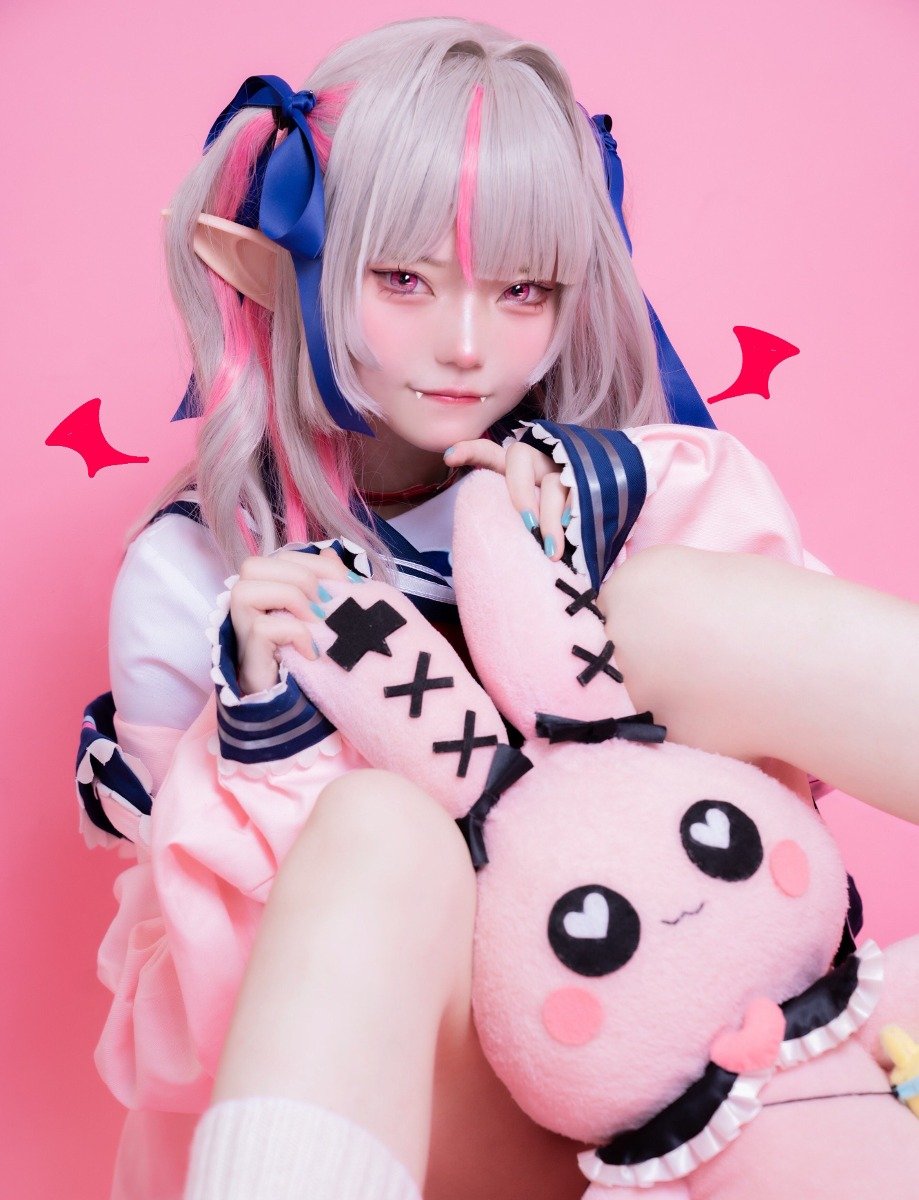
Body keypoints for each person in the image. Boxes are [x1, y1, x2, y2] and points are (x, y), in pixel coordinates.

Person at [74, 16, 916, 1200]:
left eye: (522, 289)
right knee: (380, 826)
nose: (466, 345)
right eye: (403, 279)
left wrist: (589, 533)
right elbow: (188, 1029)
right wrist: (269, 733)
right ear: (284, 268)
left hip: (743, 1048)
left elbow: (777, 798)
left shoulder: (629, 480)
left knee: (664, 605)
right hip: (471, 1123)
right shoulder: (196, 571)